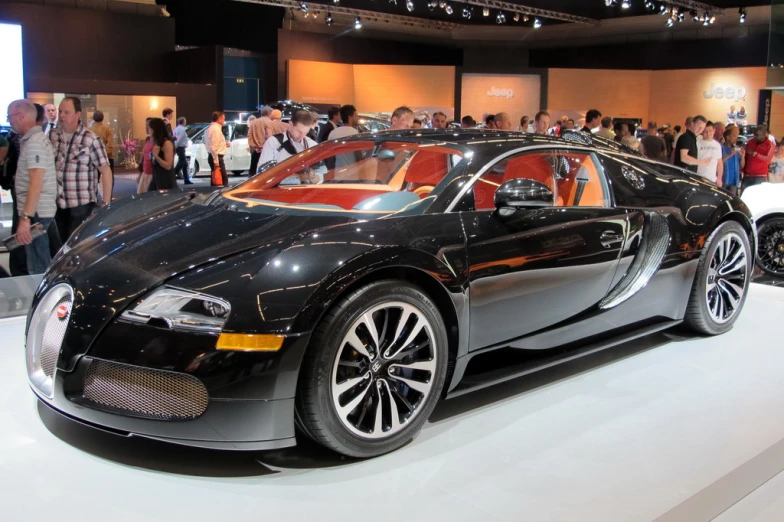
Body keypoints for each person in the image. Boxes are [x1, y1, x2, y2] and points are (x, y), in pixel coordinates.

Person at [50, 96, 112, 242]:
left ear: (77, 115)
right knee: (60, 244)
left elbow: (105, 169)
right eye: (60, 111)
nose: (62, 115)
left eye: (66, 112)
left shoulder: (90, 139)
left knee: (75, 244)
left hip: (81, 201)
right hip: (57, 201)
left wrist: (106, 201)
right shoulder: (53, 135)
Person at [6, 99, 58, 274]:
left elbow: (36, 180)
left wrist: (25, 218)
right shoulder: (33, 140)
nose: (8, 121)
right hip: (37, 212)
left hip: (36, 213)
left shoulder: (35, 142)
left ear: (20, 116)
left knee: (38, 266)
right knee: (37, 261)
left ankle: (44, 300)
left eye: (9, 116)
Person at [147, 118, 177, 191]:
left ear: (155, 129)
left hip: (165, 180)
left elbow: (168, 165)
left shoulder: (167, 143)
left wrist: (156, 156)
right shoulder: (157, 142)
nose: (148, 130)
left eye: (149, 128)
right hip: (156, 178)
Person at [743, 126, 775, 191]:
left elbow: (767, 160)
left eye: (757, 135)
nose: (755, 137)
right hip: (747, 174)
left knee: (756, 196)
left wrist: (755, 154)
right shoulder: (750, 142)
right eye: (754, 134)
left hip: (760, 176)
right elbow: (745, 156)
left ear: (764, 135)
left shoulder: (770, 145)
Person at [204, 111, 230, 187]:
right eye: (223, 119)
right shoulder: (215, 129)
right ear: (219, 119)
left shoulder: (210, 128)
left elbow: (211, 144)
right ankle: (220, 197)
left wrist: (224, 144)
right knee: (222, 180)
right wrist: (216, 162)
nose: (224, 121)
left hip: (213, 156)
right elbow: (214, 147)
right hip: (217, 157)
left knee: (216, 179)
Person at [90, 110, 115, 182]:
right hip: (107, 157)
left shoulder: (89, 129)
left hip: (94, 158)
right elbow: (109, 144)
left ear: (94, 118)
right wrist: (104, 155)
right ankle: (108, 193)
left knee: (94, 179)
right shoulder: (107, 129)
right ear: (103, 118)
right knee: (108, 178)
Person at [697, 121, 723, 186]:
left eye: (710, 131)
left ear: (714, 131)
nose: (708, 133)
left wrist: (719, 178)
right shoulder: (697, 143)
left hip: (713, 180)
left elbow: (719, 163)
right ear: (702, 131)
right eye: (705, 131)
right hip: (699, 179)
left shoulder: (717, 145)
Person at [721, 126, 743, 196]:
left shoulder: (736, 149)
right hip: (723, 181)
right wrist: (730, 154)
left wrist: (743, 156)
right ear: (727, 137)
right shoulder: (720, 147)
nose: (736, 138)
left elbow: (742, 165)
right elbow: (718, 162)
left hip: (734, 182)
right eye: (734, 136)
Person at [172, 117, 192, 184]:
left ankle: (186, 179)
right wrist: (176, 146)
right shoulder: (182, 129)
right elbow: (180, 139)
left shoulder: (176, 129)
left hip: (179, 147)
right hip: (180, 147)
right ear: (183, 122)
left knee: (185, 164)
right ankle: (173, 174)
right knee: (181, 162)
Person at [138, 118, 154, 194]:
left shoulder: (157, 141)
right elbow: (144, 157)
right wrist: (140, 174)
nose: (146, 128)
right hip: (145, 172)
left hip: (152, 173)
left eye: (148, 126)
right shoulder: (148, 139)